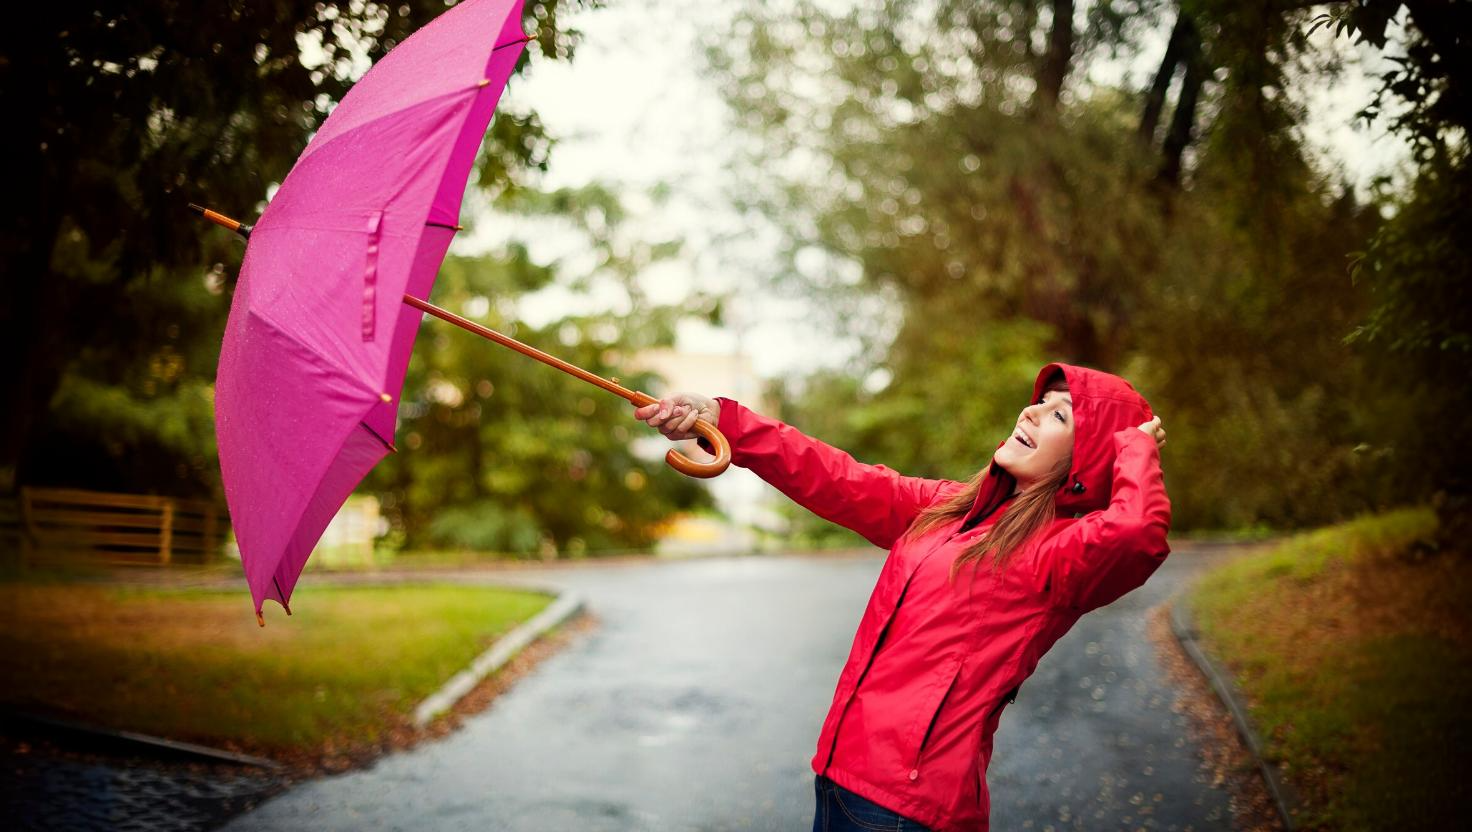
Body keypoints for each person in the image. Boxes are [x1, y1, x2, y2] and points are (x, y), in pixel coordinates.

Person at [633, 362, 1170, 832]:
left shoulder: (1060, 553)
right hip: (842, 776)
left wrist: (1134, 446)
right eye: (1039, 404)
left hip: (909, 808)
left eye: (1060, 416)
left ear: (1088, 460)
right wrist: (725, 419)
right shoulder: (947, 510)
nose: (1030, 414)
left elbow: (1137, 534)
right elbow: (837, 476)